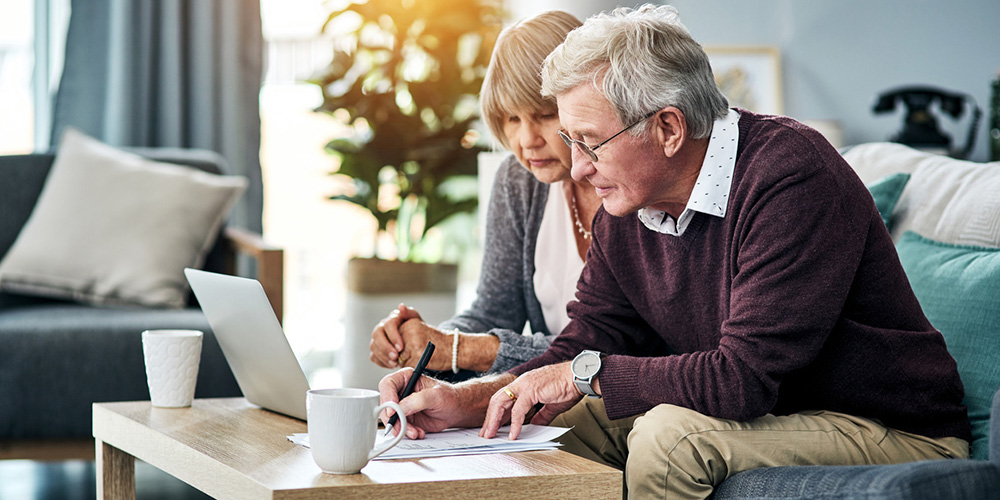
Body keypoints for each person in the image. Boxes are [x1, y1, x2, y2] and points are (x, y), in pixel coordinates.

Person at [377, 4, 972, 499]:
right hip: (772, 412)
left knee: (668, 438)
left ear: (666, 128)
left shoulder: (790, 177)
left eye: (590, 143)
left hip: (883, 424)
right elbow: (585, 343)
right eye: (571, 141)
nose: (578, 168)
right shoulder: (631, 199)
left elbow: (744, 379)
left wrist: (583, 375)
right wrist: (466, 400)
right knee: (548, 429)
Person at [368, 11, 601, 377]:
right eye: (511, 119)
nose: (527, 141)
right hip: (541, 402)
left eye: (544, 114)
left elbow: (615, 348)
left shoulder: (631, 182)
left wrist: (457, 350)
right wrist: (425, 347)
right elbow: (494, 311)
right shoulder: (519, 180)